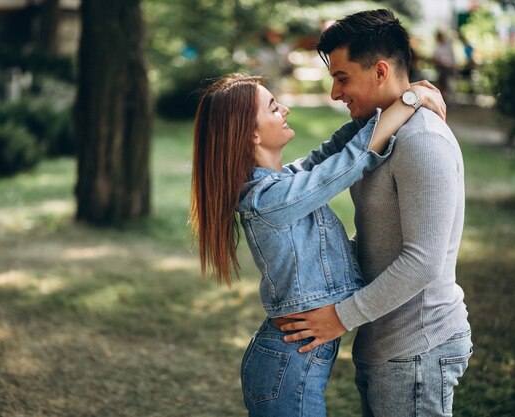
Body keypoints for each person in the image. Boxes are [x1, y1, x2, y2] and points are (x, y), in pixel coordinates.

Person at [189, 72, 445, 417]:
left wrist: (396, 98)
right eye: (273, 107)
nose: (286, 110)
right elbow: (348, 162)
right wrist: (409, 102)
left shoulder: (281, 183)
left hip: (288, 361)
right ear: (251, 133)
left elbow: (331, 151)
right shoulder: (269, 199)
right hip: (287, 367)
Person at [277, 9, 472, 417]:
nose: (334, 93)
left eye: (342, 78)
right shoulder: (377, 129)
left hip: (419, 348)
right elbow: (315, 171)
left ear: (380, 70)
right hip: (386, 345)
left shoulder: (423, 140)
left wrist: (340, 318)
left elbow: (423, 262)